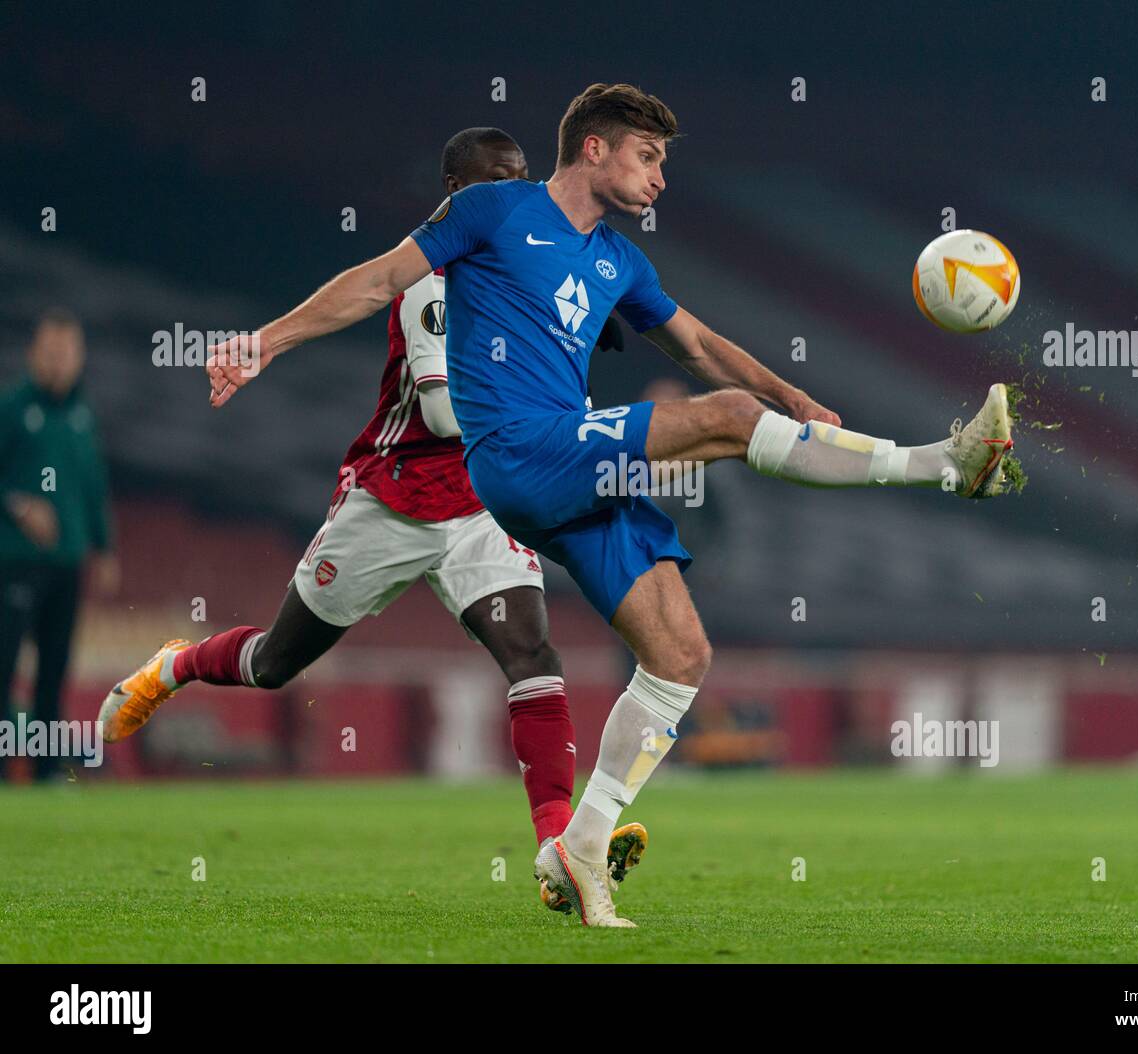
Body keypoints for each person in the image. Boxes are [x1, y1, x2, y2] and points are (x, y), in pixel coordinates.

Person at [205, 84, 1016, 927]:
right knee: (733, 424)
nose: (661, 177)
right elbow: (377, 280)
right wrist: (263, 343)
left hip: (562, 476)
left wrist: (793, 394)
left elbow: (697, 345)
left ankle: (582, 849)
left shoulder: (619, 262)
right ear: (594, 148)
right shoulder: (491, 210)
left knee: (680, 652)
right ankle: (948, 464)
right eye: (648, 156)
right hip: (516, 450)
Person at [100, 128, 646, 893]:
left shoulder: (530, 268)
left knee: (533, 655)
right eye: (494, 183)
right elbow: (447, 413)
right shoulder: (431, 279)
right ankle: (176, 664)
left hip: (478, 506)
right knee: (274, 664)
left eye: (521, 183)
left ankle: (560, 850)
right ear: (455, 191)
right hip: (391, 502)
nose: (511, 198)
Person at [1, 309, 119, 781]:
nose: (58, 362)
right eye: (50, 352)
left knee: (54, 671)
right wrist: (16, 505)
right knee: (3, 668)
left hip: (67, 563)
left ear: (79, 357)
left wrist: (104, 547)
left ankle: (46, 770)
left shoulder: (82, 414)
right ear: (33, 354)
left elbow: (93, 485)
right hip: (14, 562)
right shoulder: (12, 409)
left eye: (67, 353)